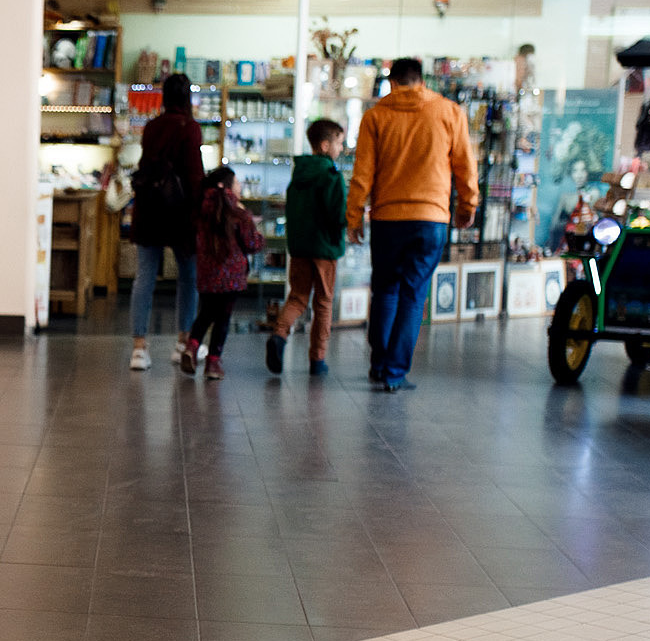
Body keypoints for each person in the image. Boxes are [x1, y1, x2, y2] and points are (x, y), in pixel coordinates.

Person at [346, 57, 477, 392]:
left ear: (391, 82)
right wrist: (467, 206)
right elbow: (465, 166)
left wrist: (354, 215)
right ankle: (394, 373)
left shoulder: (375, 116)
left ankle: (379, 363)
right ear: (422, 80)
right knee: (413, 294)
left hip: (388, 217)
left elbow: (363, 173)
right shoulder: (449, 112)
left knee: (385, 290)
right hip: (431, 218)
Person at [127, 72, 204, 370]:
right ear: (187, 98)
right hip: (180, 213)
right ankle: (182, 343)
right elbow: (194, 175)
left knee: (144, 277)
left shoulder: (151, 127)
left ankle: (139, 348)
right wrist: (200, 211)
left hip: (149, 209)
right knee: (188, 278)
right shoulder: (190, 128)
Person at [265, 119, 347, 377]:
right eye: (339, 142)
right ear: (325, 145)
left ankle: (279, 335)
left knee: (298, 297)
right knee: (323, 302)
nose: (342, 148)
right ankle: (317, 359)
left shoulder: (298, 174)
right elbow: (338, 214)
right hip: (325, 249)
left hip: (299, 247)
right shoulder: (332, 175)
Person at [176, 166, 259, 380]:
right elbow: (251, 244)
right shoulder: (238, 214)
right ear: (228, 187)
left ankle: (192, 346)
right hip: (232, 278)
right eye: (237, 182)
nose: (240, 186)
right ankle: (213, 363)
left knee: (205, 313)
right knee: (223, 319)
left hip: (206, 274)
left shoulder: (201, 210)